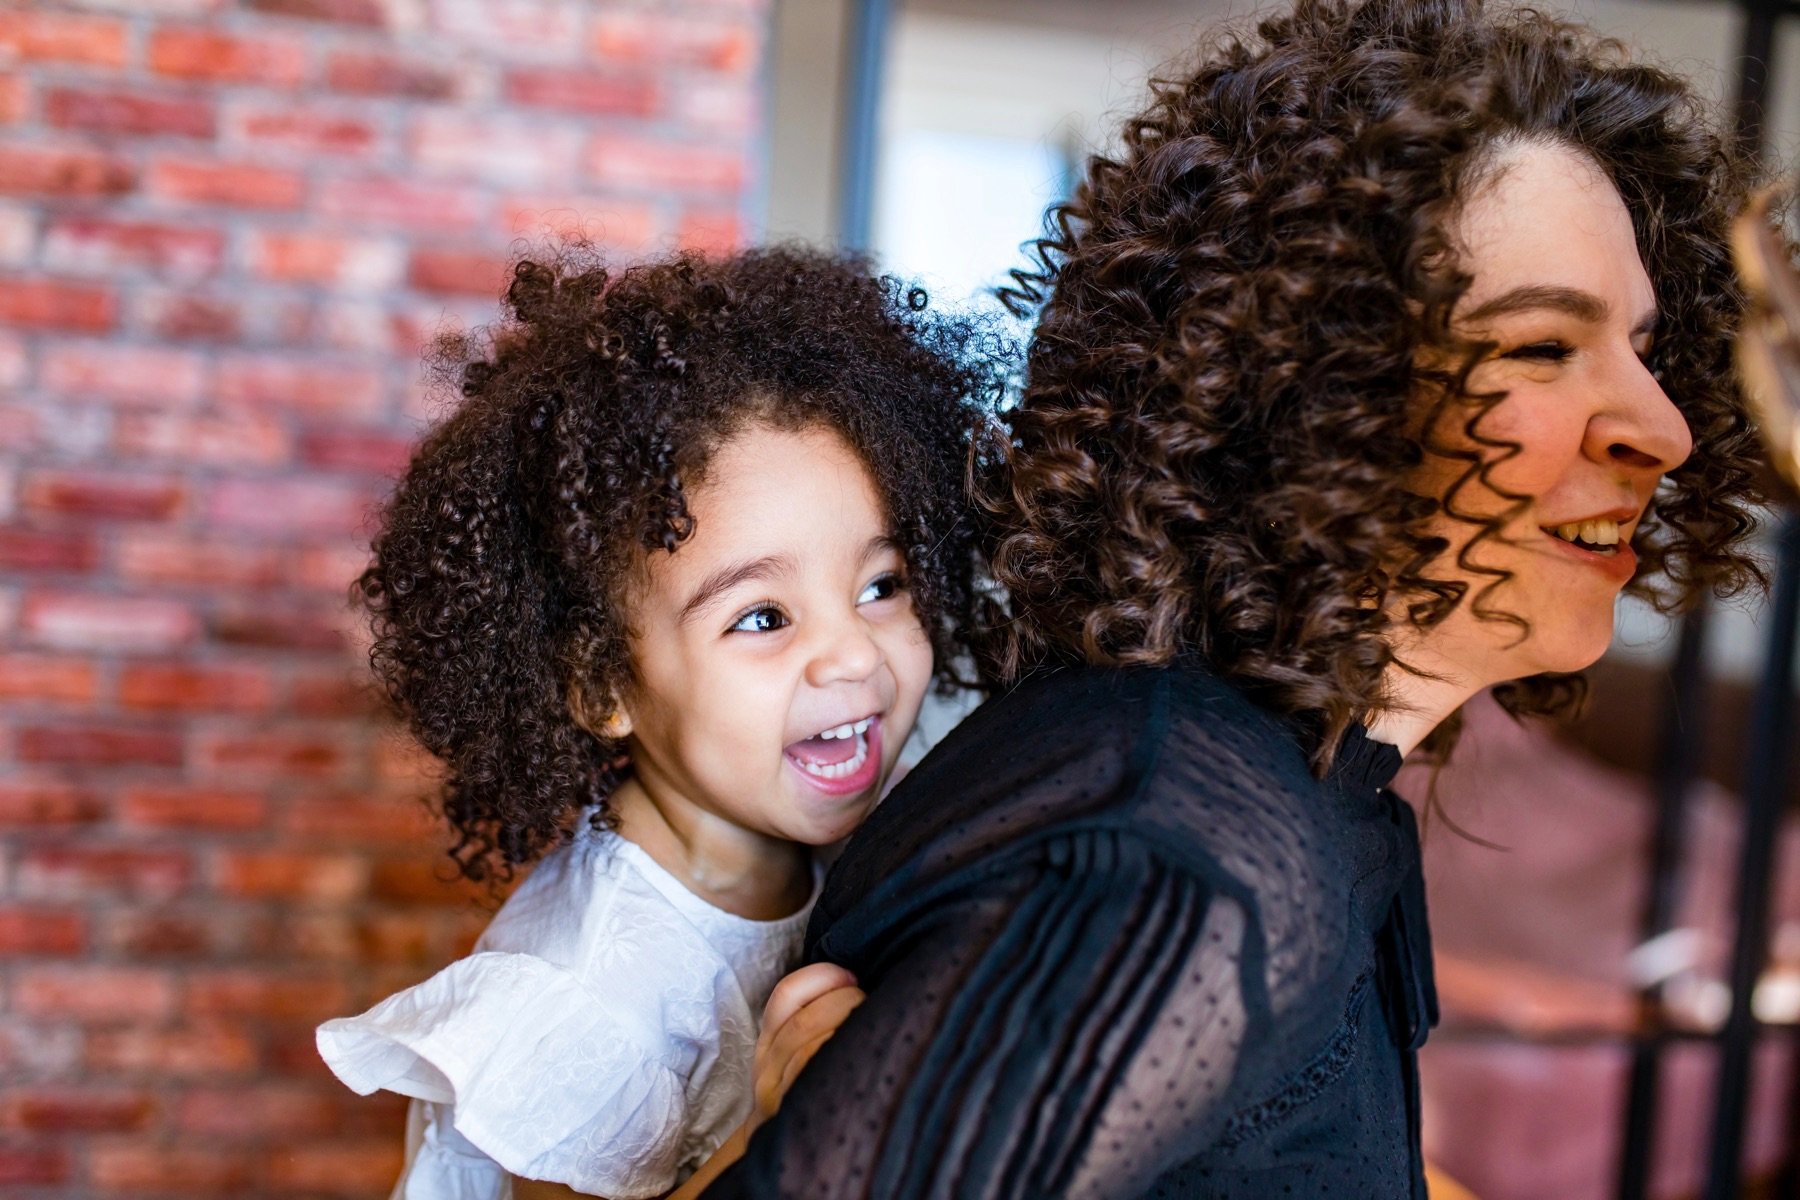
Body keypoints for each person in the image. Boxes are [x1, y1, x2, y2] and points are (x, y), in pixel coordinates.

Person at [702, 1, 1769, 1196]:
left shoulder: (1306, 788)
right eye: (1539, 348)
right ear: (1305, 396)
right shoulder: (1193, 848)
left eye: (1640, 347)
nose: (1665, 428)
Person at [313, 247, 996, 1200]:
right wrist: (777, 1128)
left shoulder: (851, 811)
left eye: (881, 585)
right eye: (762, 617)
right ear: (604, 685)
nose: (854, 656)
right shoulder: (582, 997)